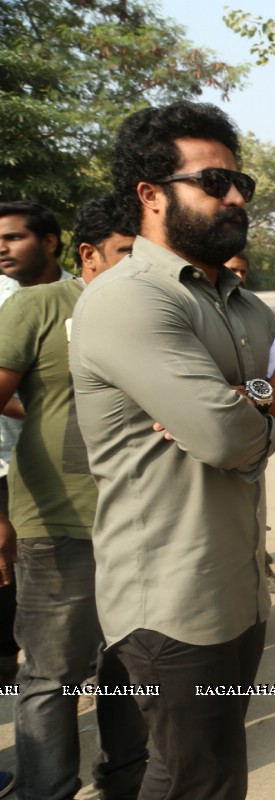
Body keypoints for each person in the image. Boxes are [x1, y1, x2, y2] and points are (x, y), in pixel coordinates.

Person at [70, 100, 275, 800]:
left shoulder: (242, 303)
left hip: (238, 587)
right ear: (151, 194)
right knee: (195, 779)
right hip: (172, 598)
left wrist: (244, 390)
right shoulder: (129, 300)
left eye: (241, 183)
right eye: (214, 181)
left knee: (210, 769)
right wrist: (269, 404)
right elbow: (227, 437)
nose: (236, 197)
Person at [0, 193, 148, 799]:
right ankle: (46, 791)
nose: (140, 269)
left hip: (140, 521)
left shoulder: (152, 312)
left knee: (128, 669)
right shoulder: (40, 306)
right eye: (126, 255)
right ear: (87, 254)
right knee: (52, 676)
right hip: (59, 524)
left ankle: (125, 782)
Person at [0, 201, 74, 695]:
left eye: (13, 238)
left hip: (74, 471)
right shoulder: (7, 303)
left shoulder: (84, 296)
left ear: (49, 242)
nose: (2, 249)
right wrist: (49, 416)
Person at [224, 251, 275, 595]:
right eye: (231, 270)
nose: (237, 277)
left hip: (255, 427)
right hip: (214, 425)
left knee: (254, 506)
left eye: (242, 271)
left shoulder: (251, 310)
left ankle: (260, 568)